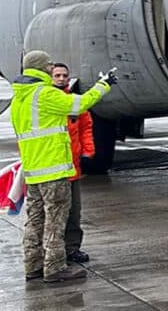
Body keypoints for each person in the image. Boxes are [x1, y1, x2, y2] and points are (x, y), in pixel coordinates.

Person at [10, 50, 112, 284]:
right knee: (56, 221)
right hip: (54, 171)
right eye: (48, 66)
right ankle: (55, 267)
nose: (50, 69)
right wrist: (103, 85)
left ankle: (33, 266)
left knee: (34, 221)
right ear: (41, 68)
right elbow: (79, 104)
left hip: (34, 172)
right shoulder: (44, 94)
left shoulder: (19, 99)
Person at [50, 63, 95, 264]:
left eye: (64, 75)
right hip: (53, 169)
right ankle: (54, 252)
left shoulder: (74, 103)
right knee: (55, 215)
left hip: (73, 167)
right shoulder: (48, 101)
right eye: (57, 75)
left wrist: (88, 151)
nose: (61, 78)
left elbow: (85, 127)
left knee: (73, 213)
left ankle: (72, 249)